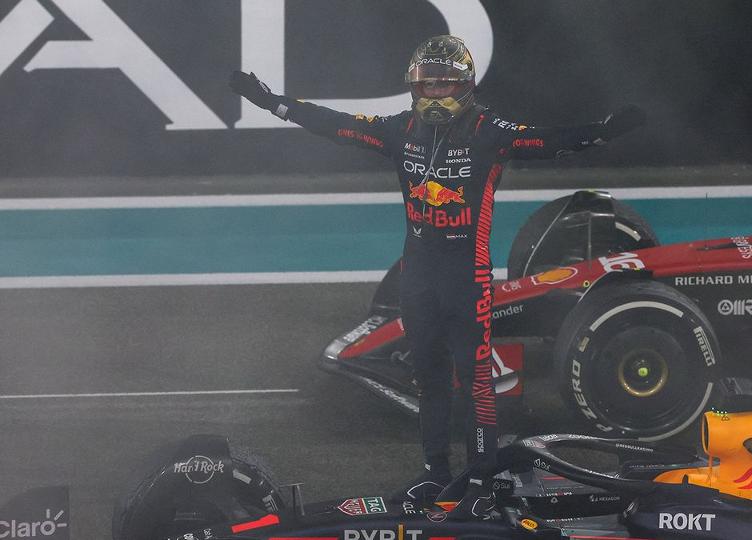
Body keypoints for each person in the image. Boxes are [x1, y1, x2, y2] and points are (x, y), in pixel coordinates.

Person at [230, 35, 644, 519]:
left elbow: (548, 141)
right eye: (426, 85)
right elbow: (337, 125)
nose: (434, 94)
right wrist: (274, 103)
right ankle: (435, 471)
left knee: (476, 381)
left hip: (467, 276)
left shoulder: (489, 131)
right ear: (414, 87)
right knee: (428, 377)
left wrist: (601, 133)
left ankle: (483, 478)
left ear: (465, 85)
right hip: (418, 276)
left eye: (444, 84)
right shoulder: (399, 129)